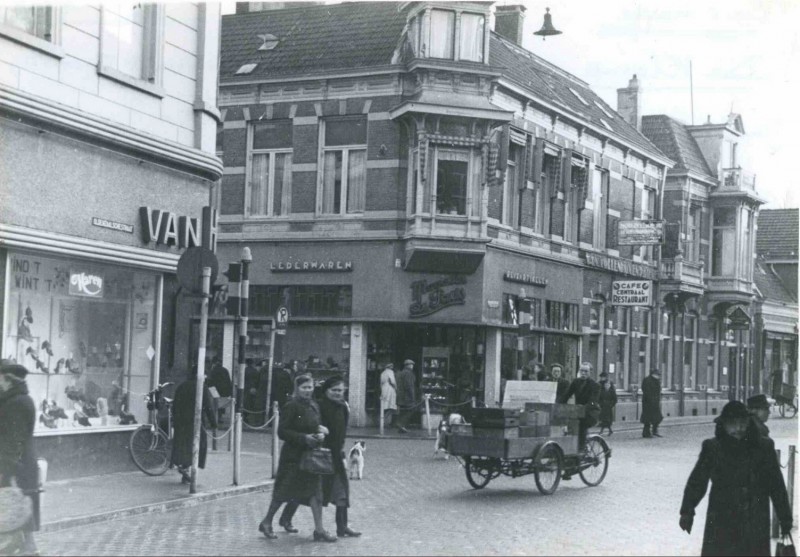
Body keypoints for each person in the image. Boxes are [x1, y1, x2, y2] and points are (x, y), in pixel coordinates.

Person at [679, 400, 793, 556]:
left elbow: (776, 485)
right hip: (722, 518)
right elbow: (697, 481)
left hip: (755, 519)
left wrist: (785, 518)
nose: (738, 428)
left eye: (742, 423)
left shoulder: (764, 447)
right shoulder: (713, 448)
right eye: (733, 424)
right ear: (724, 424)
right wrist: (687, 511)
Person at [257, 374, 336, 542]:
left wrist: (320, 432)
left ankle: (319, 529)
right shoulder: (292, 406)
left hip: (310, 456)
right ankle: (266, 521)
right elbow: (282, 431)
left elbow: (313, 424)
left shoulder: (313, 405)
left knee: (316, 493)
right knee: (283, 492)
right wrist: (304, 438)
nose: (308, 391)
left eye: (310, 387)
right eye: (304, 387)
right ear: (297, 389)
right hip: (293, 457)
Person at [0, 363, 39, 556]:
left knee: (14, 501)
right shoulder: (22, 399)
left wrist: (8, 467)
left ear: (7, 379)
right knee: (20, 502)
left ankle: (27, 546)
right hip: (23, 460)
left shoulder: (14, 403)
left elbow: (13, 439)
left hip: (16, 461)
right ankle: (26, 545)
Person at [319, 376, 361, 538]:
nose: (337, 393)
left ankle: (342, 526)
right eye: (334, 390)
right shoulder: (320, 406)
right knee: (310, 493)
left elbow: (341, 433)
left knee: (342, 492)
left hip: (336, 455)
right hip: (322, 454)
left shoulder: (343, 407)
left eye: (340, 390)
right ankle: (282, 518)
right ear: (326, 391)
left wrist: (341, 452)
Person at [170, 365, 217, 484]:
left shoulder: (182, 386)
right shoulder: (202, 388)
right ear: (200, 375)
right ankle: (189, 471)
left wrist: (175, 422)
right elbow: (208, 407)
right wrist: (213, 423)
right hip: (195, 422)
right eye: (205, 374)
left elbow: (175, 406)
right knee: (197, 446)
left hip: (181, 422)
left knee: (183, 446)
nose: (206, 377)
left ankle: (184, 470)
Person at [558, 362, 599, 452]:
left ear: (590, 372)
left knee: (581, 426)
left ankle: (581, 449)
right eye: (581, 371)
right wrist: (558, 404)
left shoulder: (595, 385)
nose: (583, 373)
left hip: (591, 413)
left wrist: (584, 408)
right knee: (568, 425)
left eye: (586, 371)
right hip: (578, 411)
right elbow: (566, 395)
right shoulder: (576, 382)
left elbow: (593, 402)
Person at [395, 359, 417, 434]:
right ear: (409, 365)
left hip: (401, 396)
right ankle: (401, 424)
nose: (412, 366)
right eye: (412, 365)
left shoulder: (401, 372)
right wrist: (412, 396)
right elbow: (409, 385)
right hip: (407, 396)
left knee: (403, 411)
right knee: (411, 409)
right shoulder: (408, 373)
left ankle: (402, 427)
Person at [641, 368, 663, 438]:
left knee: (657, 417)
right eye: (658, 375)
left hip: (655, 402)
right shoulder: (647, 380)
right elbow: (646, 391)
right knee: (647, 418)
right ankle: (646, 433)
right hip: (648, 403)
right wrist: (651, 399)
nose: (659, 376)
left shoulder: (656, 381)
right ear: (654, 374)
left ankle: (654, 431)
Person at [597, 371, 617, 436]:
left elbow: (614, 398)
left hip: (608, 406)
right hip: (602, 405)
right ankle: (609, 430)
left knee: (606, 420)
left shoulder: (610, 385)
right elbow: (598, 395)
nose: (601, 378)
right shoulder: (599, 384)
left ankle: (602, 431)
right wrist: (599, 403)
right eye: (601, 377)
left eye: (603, 377)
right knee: (604, 419)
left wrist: (611, 405)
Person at [243, 358, 261, 426]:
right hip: (252, 389)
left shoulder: (244, 370)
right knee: (251, 403)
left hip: (245, 389)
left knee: (245, 403)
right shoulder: (255, 371)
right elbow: (258, 381)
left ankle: (245, 417)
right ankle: (249, 417)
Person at [379, 362, 397, 428]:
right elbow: (392, 381)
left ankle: (384, 422)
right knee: (391, 406)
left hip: (383, 390)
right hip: (390, 390)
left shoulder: (383, 373)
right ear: (390, 367)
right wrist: (396, 388)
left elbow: (381, 383)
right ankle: (384, 422)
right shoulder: (390, 372)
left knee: (385, 406)